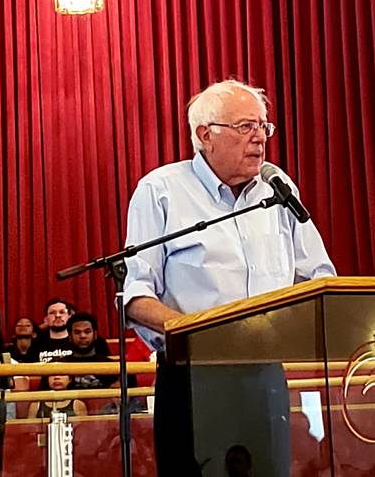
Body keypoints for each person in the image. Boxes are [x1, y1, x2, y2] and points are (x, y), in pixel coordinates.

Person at [123, 80, 336, 476]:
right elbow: (136, 295)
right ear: (206, 135)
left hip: (265, 374)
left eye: (263, 127)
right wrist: (197, 331)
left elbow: (319, 276)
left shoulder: (278, 188)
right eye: (245, 127)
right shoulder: (161, 190)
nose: (259, 138)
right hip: (191, 378)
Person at [63, 312, 116, 389]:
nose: (82, 336)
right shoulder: (58, 367)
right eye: (77, 332)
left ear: (95, 334)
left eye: (87, 331)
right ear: (70, 336)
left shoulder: (111, 367)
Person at [28, 298, 74, 363]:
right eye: (52, 313)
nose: (58, 315)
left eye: (62, 312)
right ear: (46, 319)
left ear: (69, 317)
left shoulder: (77, 342)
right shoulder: (36, 344)